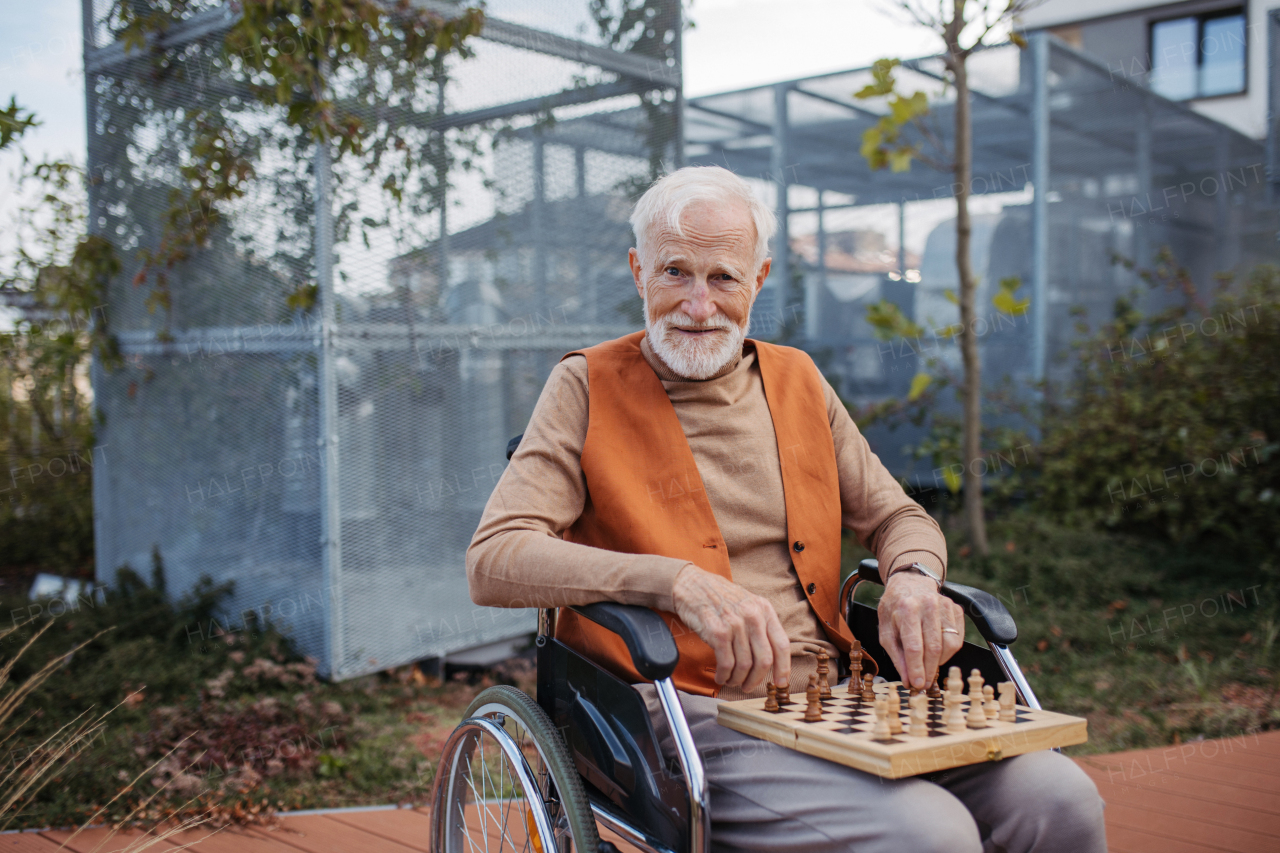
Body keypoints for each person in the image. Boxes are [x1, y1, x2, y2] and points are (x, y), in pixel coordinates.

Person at [467, 165, 1106, 853]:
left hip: (837, 696)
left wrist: (915, 577)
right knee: (932, 834)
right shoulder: (585, 385)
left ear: (760, 279)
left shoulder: (798, 378)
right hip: (691, 713)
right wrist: (676, 581)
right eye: (675, 272)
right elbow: (494, 558)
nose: (698, 304)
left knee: (1061, 798)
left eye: (723, 278)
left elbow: (899, 516)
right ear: (636, 271)